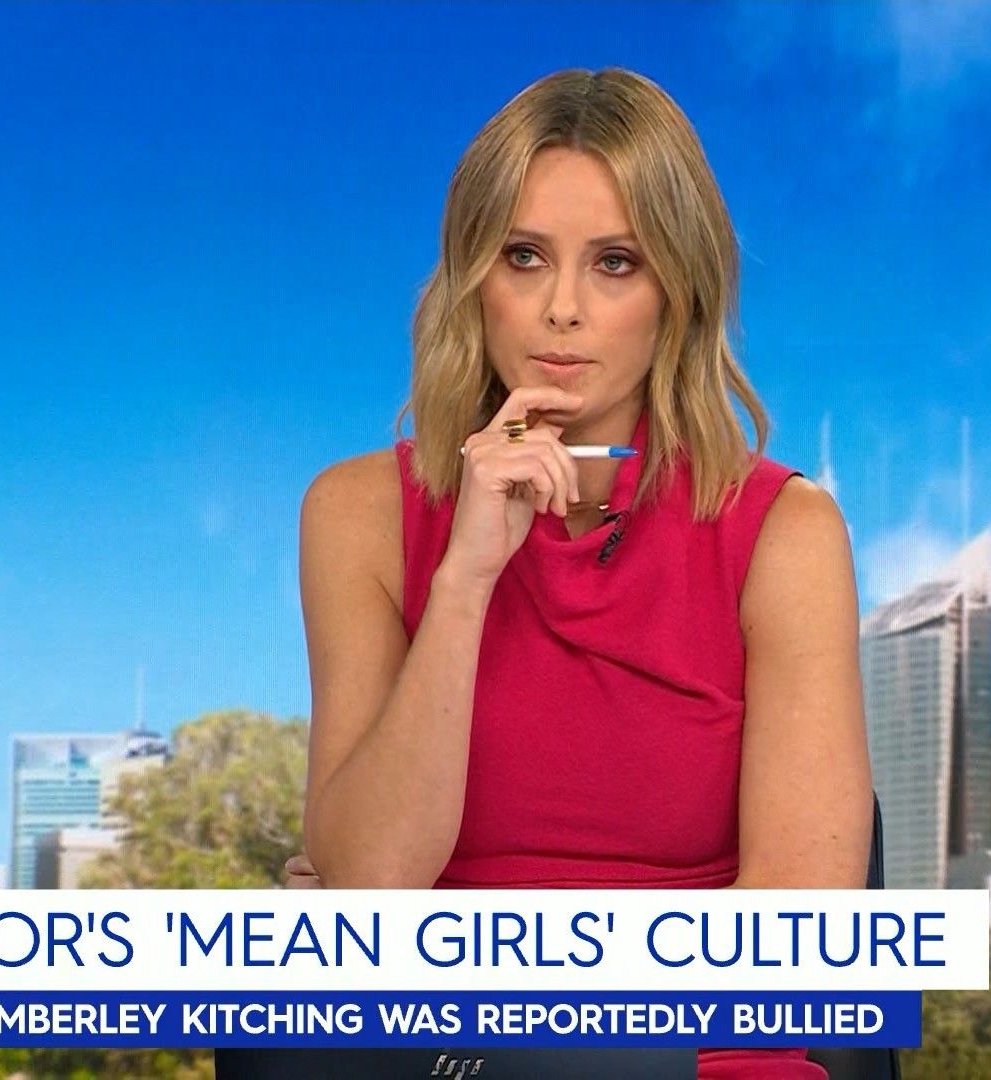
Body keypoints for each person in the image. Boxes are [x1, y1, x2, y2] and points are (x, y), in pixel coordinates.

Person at [288, 68, 873, 1079]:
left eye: (614, 263)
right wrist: (466, 578)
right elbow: (367, 893)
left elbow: (797, 937)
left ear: (676, 290)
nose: (561, 309)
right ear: (473, 277)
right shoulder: (357, 515)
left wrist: (501, 989)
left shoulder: (787, 532)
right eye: (524, 257)